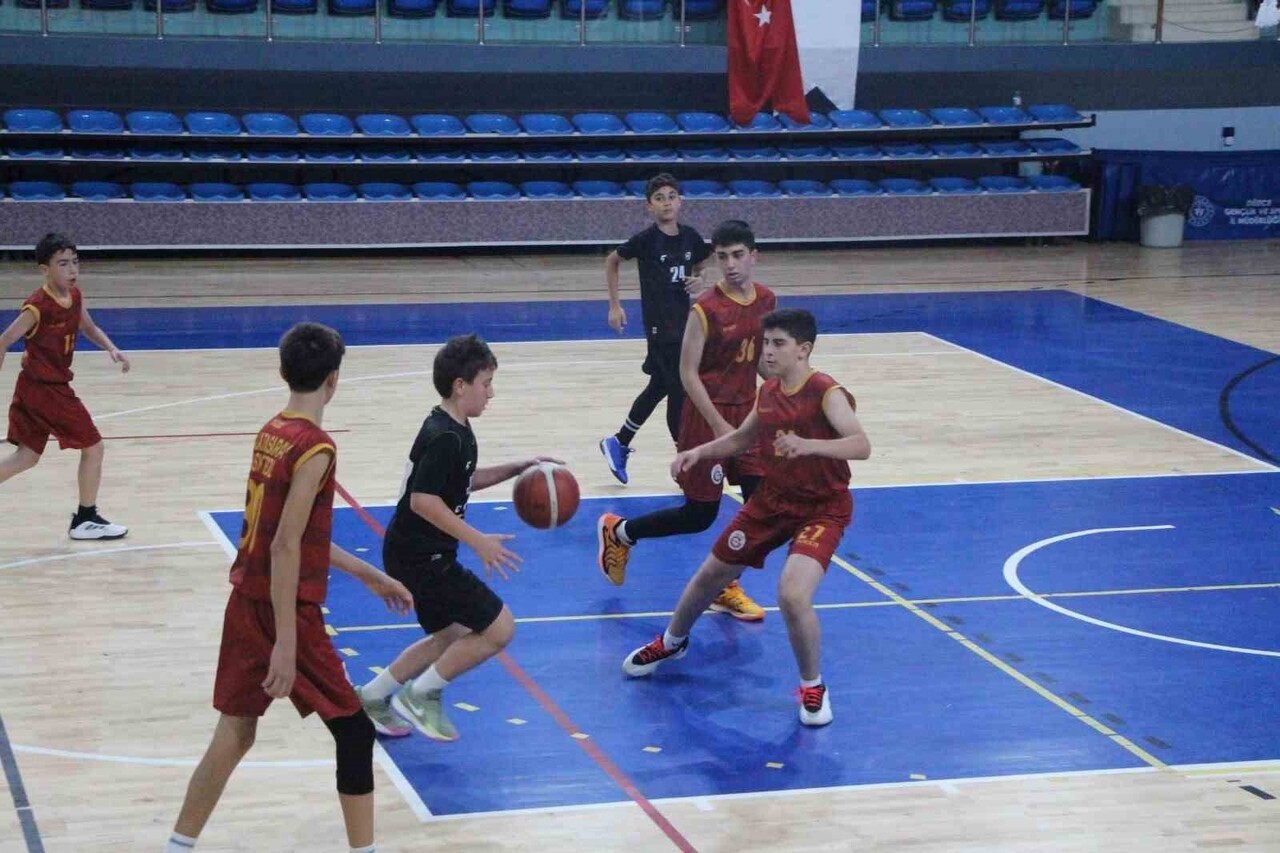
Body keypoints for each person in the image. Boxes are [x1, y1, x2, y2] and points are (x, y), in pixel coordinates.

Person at [166, 322, 413, 853]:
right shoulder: (317, 447)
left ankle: (177, 845)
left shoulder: (272, 429)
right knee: (354, 731)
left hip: (245, 600)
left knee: (235, 733)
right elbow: (284, 546)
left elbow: (296, 538)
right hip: (285, 610)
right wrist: (286, 640)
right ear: (333, 380)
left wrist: (369, 574)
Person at [621, 309, 872, 728]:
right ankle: (671, 642)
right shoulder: (769, 392)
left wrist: (809, 445)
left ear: (803, 350)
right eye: (766, 342)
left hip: (822, 508)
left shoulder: (827, 392)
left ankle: (813, 685)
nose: (767, 351)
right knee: (709, 575)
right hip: (773, 501)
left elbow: (861, 445)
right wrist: (698, 452)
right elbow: (743, 438)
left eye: (778, 344)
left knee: (792, 595)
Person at [355, 334, 561, 742]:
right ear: (460, 386)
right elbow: (423, 501)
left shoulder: (454, 428)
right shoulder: (445, 437)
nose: (492, 393)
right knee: (500, 629)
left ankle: (373, 698)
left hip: (412, 551)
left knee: (450, 635)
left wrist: (518, 467)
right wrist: (478, 540)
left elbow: (460, 484)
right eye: (486, 383)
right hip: (421, 556)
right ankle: (422, 694)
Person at [597, 220, 775, 622]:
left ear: (754, 257)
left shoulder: (766, 300)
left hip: (746, 417)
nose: (730, 264)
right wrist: (715, 425)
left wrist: (793, 397)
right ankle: (620, 532)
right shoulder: (706, 308)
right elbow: (687, 373)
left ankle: (727, 584)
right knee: (699, 515)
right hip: (705, 418)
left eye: (738, 255)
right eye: (723, 256)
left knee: (762, 506)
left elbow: (762, 361)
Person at [0, 232, 130, 539]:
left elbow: (89, 327)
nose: (71, 269)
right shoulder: (37, 307)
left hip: (36, 390)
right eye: (62, 264)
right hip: (47, 391)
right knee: (94, 447)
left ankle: (85, 518)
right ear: (44, 269)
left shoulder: (76, 297)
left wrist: (111, 348)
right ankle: (85, 518)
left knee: (26, 457)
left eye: (75, 262)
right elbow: (5, 340)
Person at [599, 173, 711, 485]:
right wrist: (614, 305)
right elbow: (612, 260)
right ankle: (684, 460)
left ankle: (619, 442)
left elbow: (703, 264)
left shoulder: (690, 237)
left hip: (685, 325)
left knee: (661, 387)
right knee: (678, 390)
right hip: (661, 329)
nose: (666, 202)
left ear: (680, 201)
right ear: (649, 206)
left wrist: (701, 280)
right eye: (659, 198)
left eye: (671, 196)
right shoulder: (646, 240)